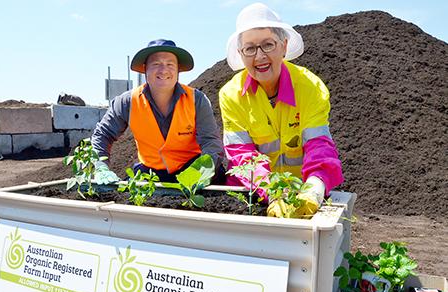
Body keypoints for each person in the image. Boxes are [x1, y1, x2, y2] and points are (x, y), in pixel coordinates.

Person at [219, 3, 344, 218]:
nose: (259, 57)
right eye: (249, 48)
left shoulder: (310, 87)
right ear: (241, 54)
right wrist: (273, 192)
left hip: (302, 195)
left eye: (268, 45)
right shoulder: (231, 94)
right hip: (251, 196)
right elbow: (241, 156)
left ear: (284, 46)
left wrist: (314, 189)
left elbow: (319, 146)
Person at [91, 39, 224, 184]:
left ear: (178, 69)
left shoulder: (196, 100)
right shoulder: (127, 102)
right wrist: (100, 167)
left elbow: (211, 142)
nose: (163, 70)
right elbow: (103, 134)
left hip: (191, 169)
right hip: (151, 174)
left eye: (170, 64)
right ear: (145, 68)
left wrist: (201, 171)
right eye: (156, 64)